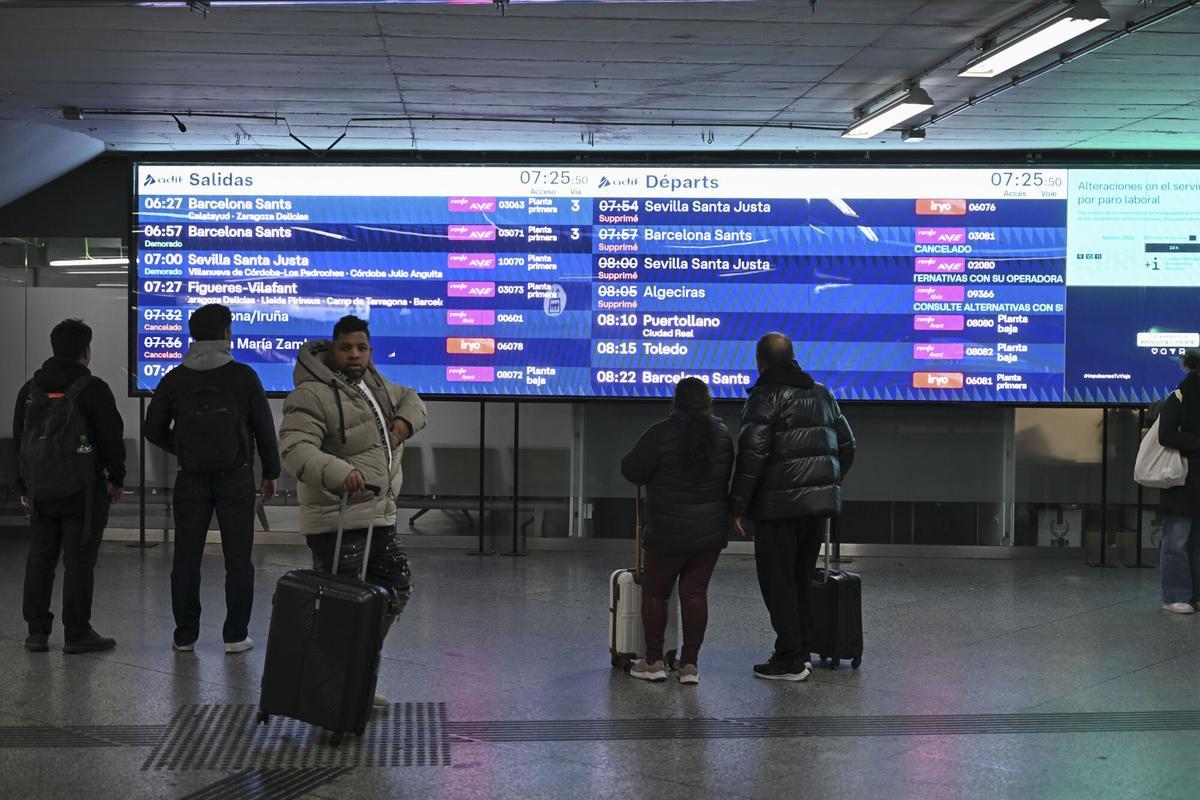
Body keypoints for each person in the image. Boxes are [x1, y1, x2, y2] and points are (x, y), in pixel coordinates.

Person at [278, 314, 427, 706]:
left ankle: (353, 669)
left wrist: (401, 426)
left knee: (395, 589)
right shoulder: (310, 395)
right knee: (338, 608)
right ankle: (329, 685)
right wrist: (341, 472)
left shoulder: (374, 387)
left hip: (379, 513)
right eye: (346, 348)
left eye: (361, 348)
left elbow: (413, 400)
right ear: (333, 349)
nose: (354, 355)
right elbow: (295, 450)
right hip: (337, 518)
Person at [144, 304, 280, 653]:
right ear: (226, 334)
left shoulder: (175, 378)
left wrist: (184, 448)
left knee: (186, 559)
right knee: (238, 560)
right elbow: (264, 428)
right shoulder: (244, 376)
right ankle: (235, 635)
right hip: (236, 477)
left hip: (191, 479)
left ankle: (185, 635)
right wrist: (271, 472)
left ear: (193, 336)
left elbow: (153, 428)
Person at [729, 332, 855, 682]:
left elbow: (751, 457)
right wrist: (823, 484)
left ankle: (790, 659)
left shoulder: (764, 397)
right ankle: (800, 650)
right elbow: (848, 445)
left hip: (776, 508)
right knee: (800, 578)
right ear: (793, 357)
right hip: (815, 508)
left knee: (777, 581)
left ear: (760, 362)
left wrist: (737, 507)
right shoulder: (822, 392)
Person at [14, 319, 125, 654]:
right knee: (79, 562)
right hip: (84, 492)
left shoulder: (29, 389)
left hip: (41, 491)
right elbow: (110, 439)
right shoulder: (93, 389)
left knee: (40, 558)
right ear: (85, 353)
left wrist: (22, 484)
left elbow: (20, 441)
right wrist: (117, 479)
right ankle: (77, 633)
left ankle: (37, 632)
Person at [620, 377, 735, 685]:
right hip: (709, 532)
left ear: (676, 401)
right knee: (695, 594)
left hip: (667, 532)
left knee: (656, 592)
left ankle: (655, 661)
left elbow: (632, 470)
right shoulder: (723, 435)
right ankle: (690, 665)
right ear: (708, 401)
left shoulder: (660, 434)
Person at [1157, 349, 1200, 614]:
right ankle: (1175, 595)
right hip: (1182, 477)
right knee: (1177, 538)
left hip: (1192, 478)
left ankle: (1193, 595)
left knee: (1196, 541)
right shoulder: (1180, 396)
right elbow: (1166, 435)